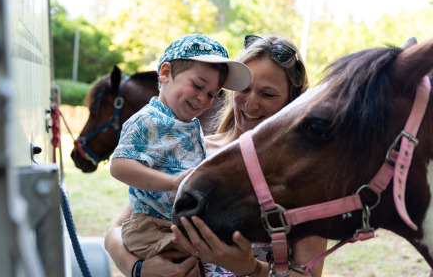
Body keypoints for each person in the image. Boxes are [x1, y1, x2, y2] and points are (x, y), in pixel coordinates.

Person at [105, 34, 327, 277]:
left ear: (291, 103)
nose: (251, 105)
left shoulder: (302, 177)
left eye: (268, 94)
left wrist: (251, 268)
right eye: (244, 89)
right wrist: (139, 269)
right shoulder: (194, 150)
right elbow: (117, 230)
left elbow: (308, 274)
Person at [109, 33, 251, 275]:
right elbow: (119, 166)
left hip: (172, 224)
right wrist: (174, 182)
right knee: (189, 261)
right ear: (165, 73)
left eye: (211, 94)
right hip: (151, 225)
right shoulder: (148, 119)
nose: (203, 99)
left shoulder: (187, 124)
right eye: (197, 85)